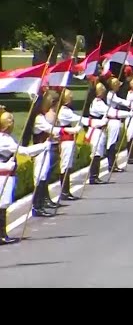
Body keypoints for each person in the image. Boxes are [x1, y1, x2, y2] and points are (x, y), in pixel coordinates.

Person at [0, 105, 51, 244]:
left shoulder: (6, 138)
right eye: (10, 122)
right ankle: (1, 235)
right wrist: (44, 146)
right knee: (2, 205)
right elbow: (24, 152)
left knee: (3, 205)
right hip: (3, 175)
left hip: (6, 174)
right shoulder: (5, 140)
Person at [56, 88, 84, 200]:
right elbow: (77, 118)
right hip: (66, 140)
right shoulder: (64, 111)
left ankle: (66, 190)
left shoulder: (66, 109)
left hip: (69, 139)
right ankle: (64, 191)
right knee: (65, 166)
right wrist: (84, 122)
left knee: (68, 165)